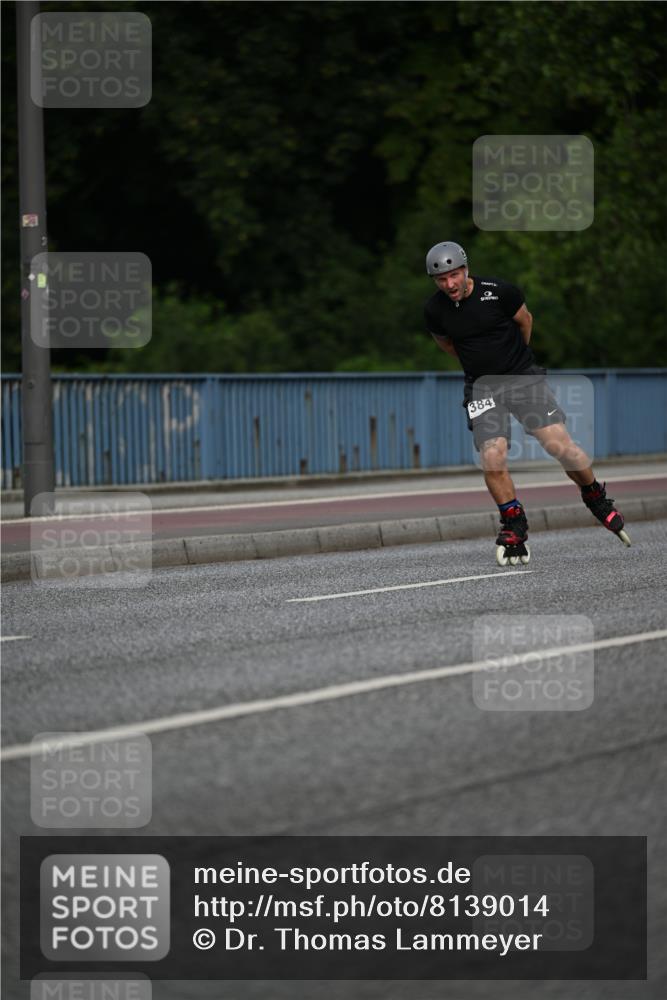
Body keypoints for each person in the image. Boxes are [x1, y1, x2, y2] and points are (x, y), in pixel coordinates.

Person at [423, 240, 630, 565]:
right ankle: (513, 523)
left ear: (466, 269)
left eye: (455, 275)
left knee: (559, 446)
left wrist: (515, 360)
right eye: (441, 279)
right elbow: (447, 345)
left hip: (522, 377)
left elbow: (526, 321)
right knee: (492, 454)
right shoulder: (435, 310)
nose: (449, 284)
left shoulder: (500, 291)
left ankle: (595, 496)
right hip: (481, 387)